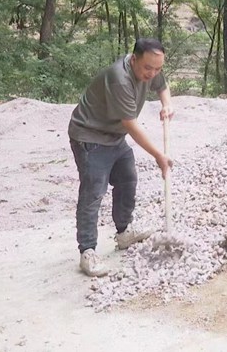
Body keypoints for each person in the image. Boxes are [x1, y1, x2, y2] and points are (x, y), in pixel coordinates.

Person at [68, 38, 174, 277]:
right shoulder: (119, 78)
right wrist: (159, 155)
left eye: (157, 68)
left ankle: (124, 232)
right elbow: (131, 125)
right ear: (134, 59)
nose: (153, 73)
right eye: (148, 68)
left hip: (114, 136)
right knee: (93, 192)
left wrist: (166, 104)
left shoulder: (150, 68)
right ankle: (87, 251)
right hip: (90, 136)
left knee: (127, 180)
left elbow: (162, 86)